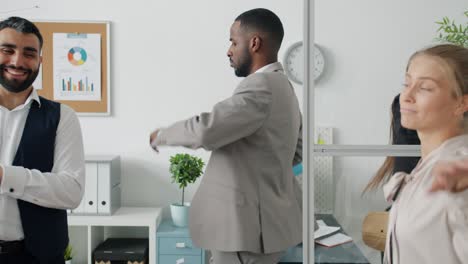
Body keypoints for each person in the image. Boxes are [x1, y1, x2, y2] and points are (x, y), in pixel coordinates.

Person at [150, 8, 302, 264]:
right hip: (263, 232)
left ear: (254, 43)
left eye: (233, 41)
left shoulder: (261, 86)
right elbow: (295, 152)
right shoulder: (284, 87)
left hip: (245, 233)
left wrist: (162, 135)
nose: (229, 50)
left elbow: (207, 129)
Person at [0, 17, 85, 264]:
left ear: (39, 61)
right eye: (7, 50)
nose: (17, 61)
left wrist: (5, 177)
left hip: (39, 257)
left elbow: (71, 192)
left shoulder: (62, 117)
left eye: (29, 53)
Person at [382, 44, 468, 264]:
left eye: (425, 88)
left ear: (462, 103)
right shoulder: (426, 166)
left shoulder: (457, 172)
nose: (406, 96)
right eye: (407, 83)